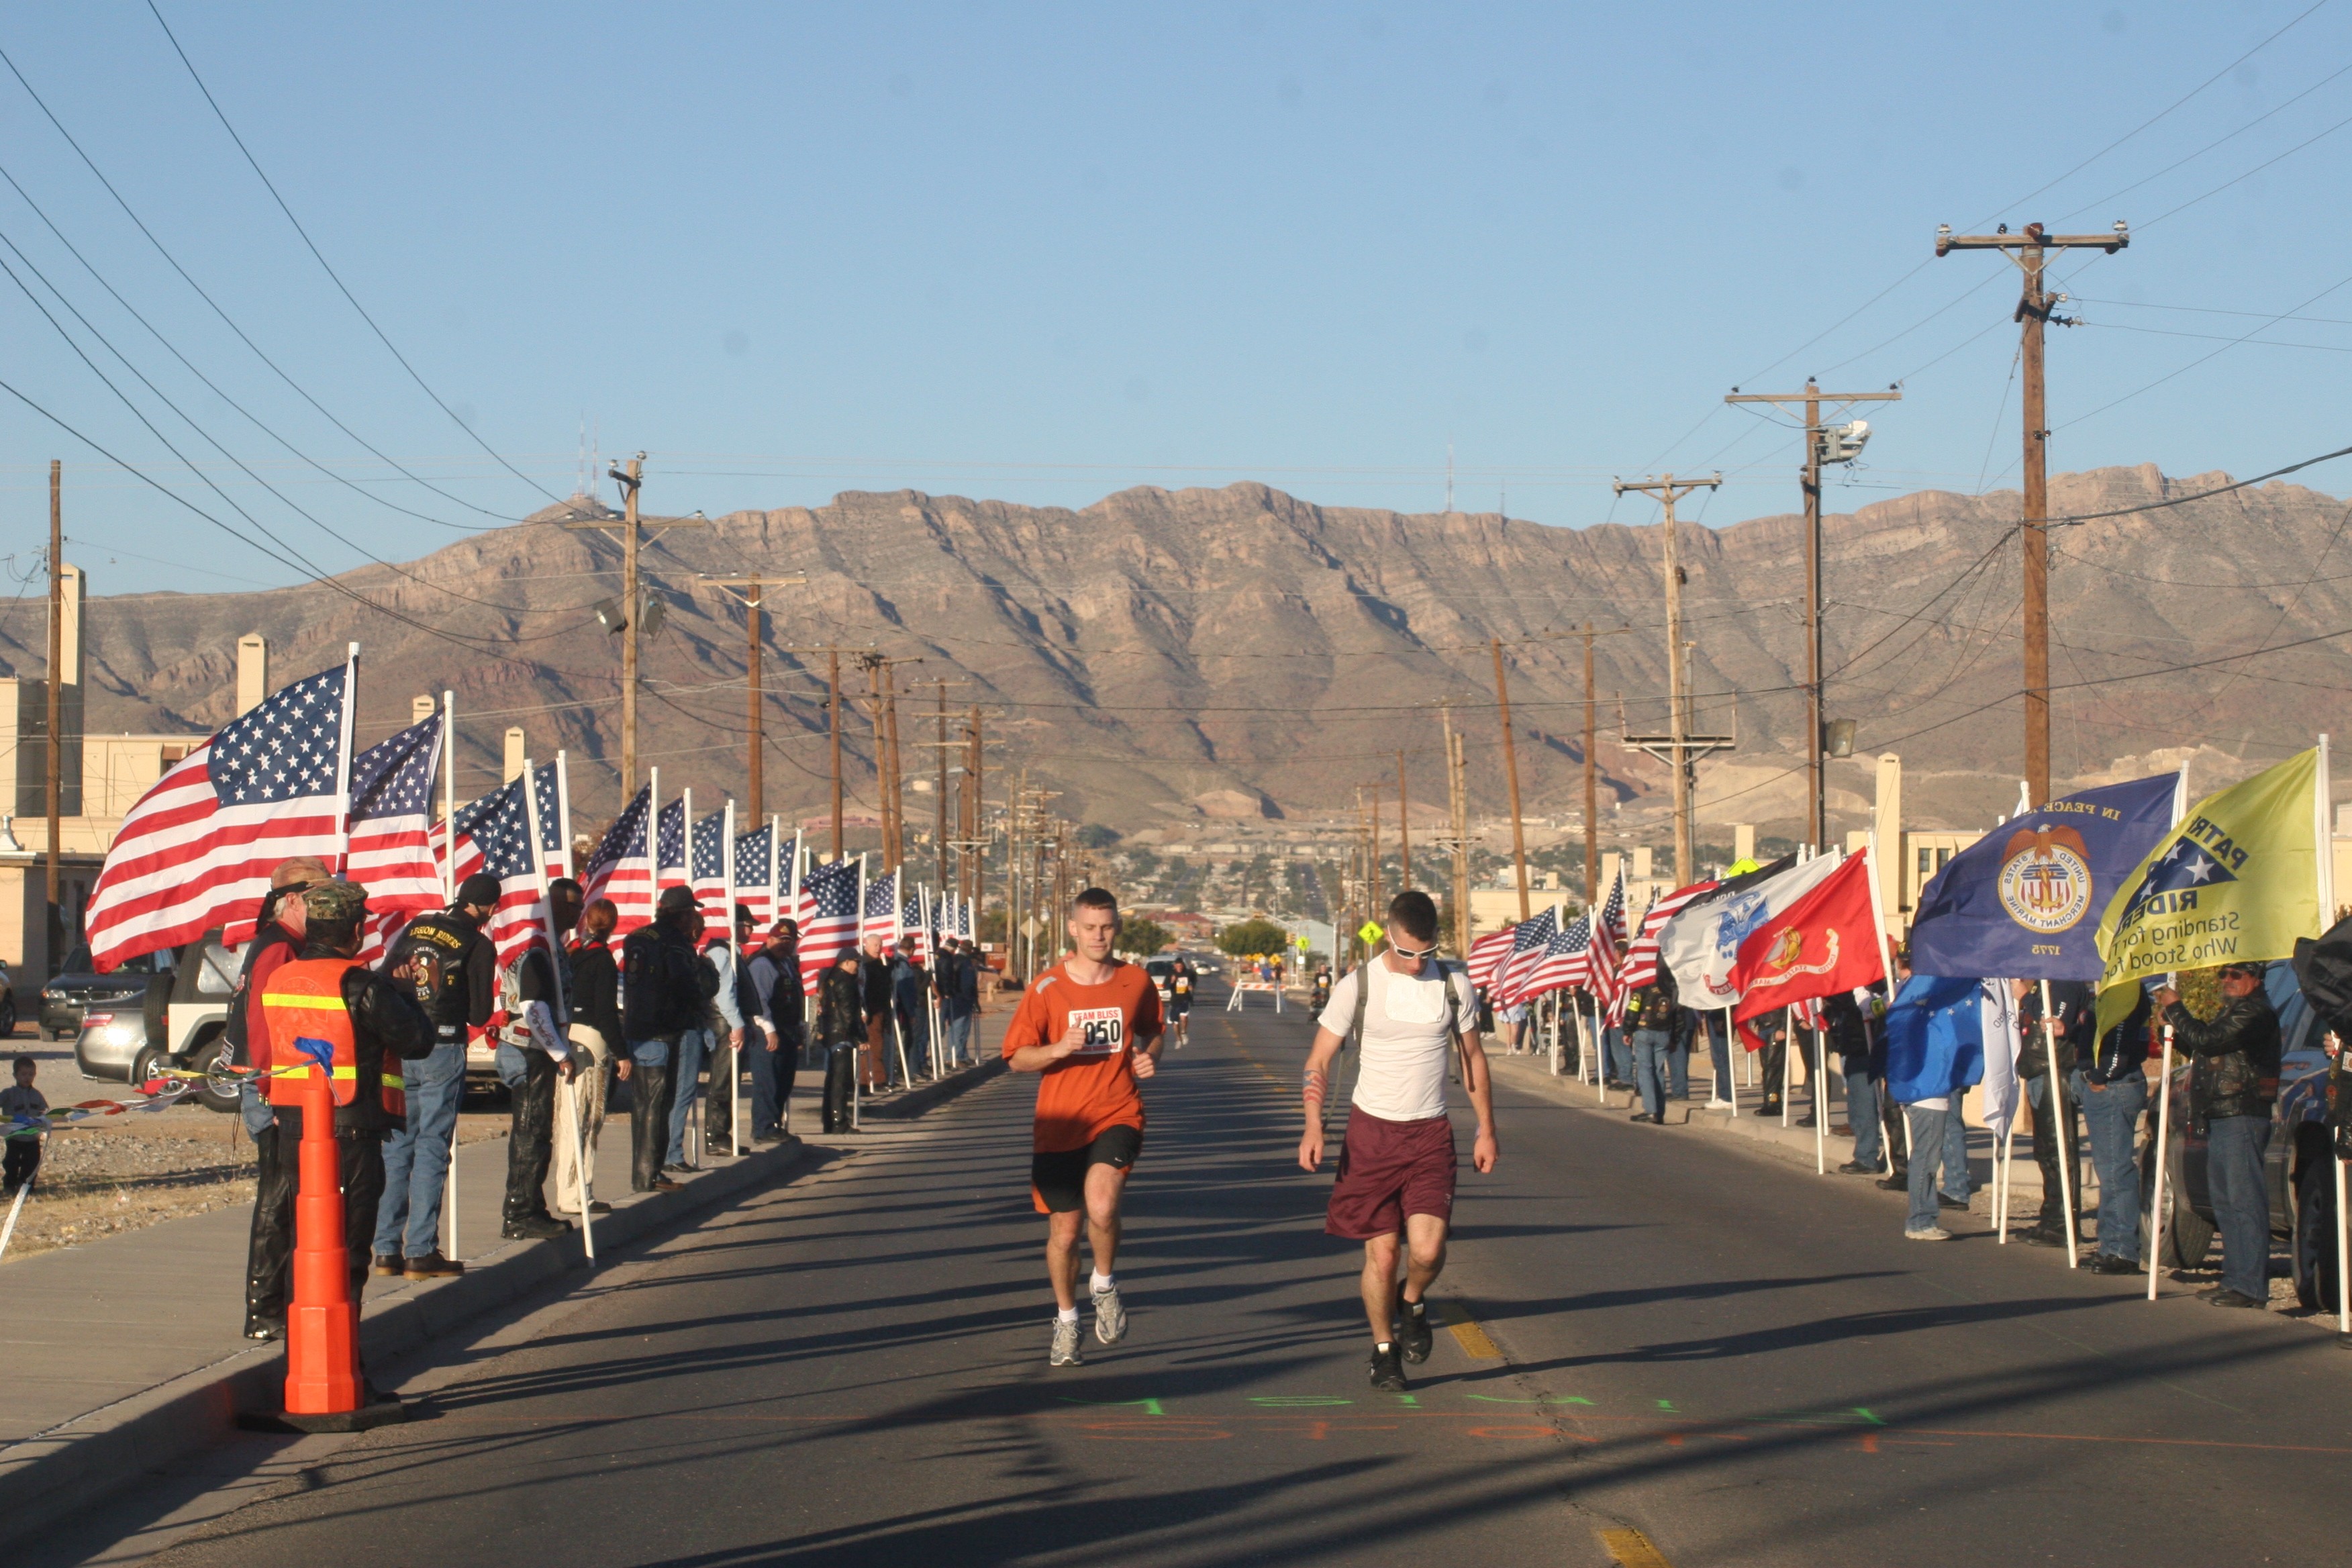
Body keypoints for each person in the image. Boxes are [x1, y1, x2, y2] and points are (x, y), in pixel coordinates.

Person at [1301, 890, 1496, 1393]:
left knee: (1428, 1251)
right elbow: (1319, 1059)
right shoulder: (1358, 985)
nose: (1416, 964)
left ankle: (1412, 1302)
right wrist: (1314, 1123)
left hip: (1430, 1134)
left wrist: (1486, 1128)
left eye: (1426, 954)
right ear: (1388, 936)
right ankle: (1384, 1350)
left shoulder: (1454, 986)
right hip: (1372, 1134)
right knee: (1382, 1256)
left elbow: (1473, 1059)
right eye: (1407, 953)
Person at [260, 881, 434, 1371]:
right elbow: (417, 1040)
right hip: (351, 1131)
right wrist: (405, 991)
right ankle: (341, 1368)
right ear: (357, 931)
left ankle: (301, 1363)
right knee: (347, 1253)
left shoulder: (281, 979)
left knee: (306, 1250)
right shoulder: (361, 985)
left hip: (292, 1128)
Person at [1002, 887, 1165, 1368]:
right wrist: (1056, 1050)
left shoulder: (1135, 980)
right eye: (1090, 927)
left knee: (1101, 1203)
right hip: (1059, 1124)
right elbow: (1015, 1057)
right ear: (1073, 928)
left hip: (1117, 1111)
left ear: (1117, 927)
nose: (1099, 935)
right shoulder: (1047, 987)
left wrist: (1148, 1058)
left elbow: (1155, 1029)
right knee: (1065, 1232)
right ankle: (1068, 1319)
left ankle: (1105, 1285)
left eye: (1108, 926)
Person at [372, 873, 499, 1278]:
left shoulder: (416, 927)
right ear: (488, 908)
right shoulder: (479, 944)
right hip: (442, 1046)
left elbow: (388, 979)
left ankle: (385, 1247)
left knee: (396, 1145)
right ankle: (421, 1249)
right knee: (430, 1147)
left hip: (402, 1042)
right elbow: (480, 1014)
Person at [230, 856, 326, 1338]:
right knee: (277, 1198)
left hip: (280, 1084)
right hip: (270, 1086)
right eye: (317, 898)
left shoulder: (290, 944)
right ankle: (263, 1310)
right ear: (292, 899)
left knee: (291, 1198)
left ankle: (280, 1304)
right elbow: (260, 1018)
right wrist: (267, 1086)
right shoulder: (278, 948)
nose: (324, 907)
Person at [2155, 963, 2281, 1308]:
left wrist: (2177, 1008)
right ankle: (2236, 1279)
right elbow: (2205, 1050)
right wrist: (2174, 1029)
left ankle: (2250, 1286)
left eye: (2235, 975)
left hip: (2242, 1113)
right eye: (2223, 975)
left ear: (2255, 978)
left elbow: (2210, 1042)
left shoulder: (2256, 1013)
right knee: (2225, 1203)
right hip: (2222, 1113)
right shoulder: (2234, 1011)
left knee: (2244, 1202)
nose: (2227, 980)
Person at [492, 878, 579, 1240]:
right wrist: (559, 1051)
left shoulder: (550, 946)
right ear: (553, 906)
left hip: (533, 1050)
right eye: (571, 905)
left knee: (538, 1131)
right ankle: (519, 1212)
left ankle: (532, 1203)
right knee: (532, 1131)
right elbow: (532, 1006)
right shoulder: (537, 948)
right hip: (528, 1050)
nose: (577, 911)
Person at [620, 885, 703, 1192]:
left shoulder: (638, 937)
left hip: (638, 1028)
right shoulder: (675, 943)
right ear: (683, 914)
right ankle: (649, 1175)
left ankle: (648, 1174)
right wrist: (700, 996)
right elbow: (685, 984)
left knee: (644, 1105)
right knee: (658, 1104)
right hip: (663, 1030)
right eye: (691, 912)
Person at [554, 897, 623, 1217]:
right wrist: (623, 1053)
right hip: (592, 1041)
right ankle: (577, 1192)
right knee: (586, 1121)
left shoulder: (572, 955)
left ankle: (574, 1189)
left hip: (568, 1036)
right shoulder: (602, 960)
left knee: (569, 1121)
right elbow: (606, 1013)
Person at [2079, 983, 2154, 1274]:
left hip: (2114, 1084)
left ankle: (2123, 1249)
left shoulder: (2124, 988)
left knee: (2115, 1169)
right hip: (2109, 1082)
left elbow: (2120, 1041)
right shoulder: (2113, 988)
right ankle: (2110, 1245)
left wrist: (2102, 1075)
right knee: (2108, 1169)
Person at [2015, 977, 2092, 1248]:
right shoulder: (2043, 983)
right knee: (2046, 1153)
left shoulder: (2063, 983)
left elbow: (2055, 1024)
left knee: (2060, 1151)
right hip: (2039, 1071)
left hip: (2055, 1071)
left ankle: (2063, 1224)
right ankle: (2051, 1218)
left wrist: (2026, 997)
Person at [689, 911, 746, 1159]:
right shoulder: (721, 952)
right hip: (722, 1022)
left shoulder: (731, 952)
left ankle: (724, 1134)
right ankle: (716, 1137)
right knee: (722, 1081)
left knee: (730, 1080)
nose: (752, 931)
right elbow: (723, 994)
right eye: (747, 925)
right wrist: (737, 1024)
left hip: (726, 1022)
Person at [743, 914, 799, 1138]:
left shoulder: (785, 963)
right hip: (768, 1032)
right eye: (778, 940)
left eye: (787, 941)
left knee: (783, 1081)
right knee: (767, 1082)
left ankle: (775, 1125)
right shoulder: (762, 964)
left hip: (787, 1030)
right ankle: (763, 1128)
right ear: (768, 940)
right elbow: (759, 1001)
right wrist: (769, 1030)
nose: (783, 945)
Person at [1826, 987, 1884, 1176]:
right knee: (1857, 1106)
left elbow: (1864, 1008)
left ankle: (1867, 1157)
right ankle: (1864, 1154)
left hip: (1866, 1048)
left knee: (1865, 1106)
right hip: (1854, 1047)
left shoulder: (1873, 984)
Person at [815, 948, 866, 1134]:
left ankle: (830, 1121)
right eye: (856, 962)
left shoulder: (832, 978)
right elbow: (848, 1013)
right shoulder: (844, 981)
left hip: (833, 1033)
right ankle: (838, 1122)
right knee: (840, 1081)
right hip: (841, 1034)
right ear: (846, 962)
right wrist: (861, 1036)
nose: (858, 966)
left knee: (833, 1080)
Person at [1622, 975, 1676, 1126]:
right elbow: (1678, 1014)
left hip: (1645, 1031)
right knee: (1659, 1072)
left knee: (1645, 1071)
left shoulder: (1642, 987)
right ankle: (1659, 1112)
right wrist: (1675, 1037)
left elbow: (1633, 1009)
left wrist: (1627, 1031)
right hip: (1664, 1032)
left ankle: (1651, 1111)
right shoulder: (1671, 988)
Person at [2, 1055, 46, 1194]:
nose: (27, 1078)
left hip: (32, 1138)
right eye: (24, 1074)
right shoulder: (9, 1094)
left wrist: (45, 1121)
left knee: (32, 1163)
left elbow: (45, 1112)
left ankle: (27, 1187)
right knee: (11, 1163)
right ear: (15, 1075)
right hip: (14, 1137)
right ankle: (9, 1185)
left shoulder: (37, 1095)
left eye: (31, 1074)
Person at [891, 937, 932, 1082]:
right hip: (906, 1008)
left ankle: (906, 1070)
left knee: (908, 1040)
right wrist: (910, 1012)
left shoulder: (899, 962)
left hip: (904, 1007)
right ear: (912, 949)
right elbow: (904, 989)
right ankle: (912, 1070)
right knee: (912, 1039)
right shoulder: (901, 964)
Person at [859, 934, 893, 1091]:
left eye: (880, 944)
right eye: (874, 945)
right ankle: (875, 1079)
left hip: (881, 1010)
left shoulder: (879, 963)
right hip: (871, 1011)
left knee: (877, 1045)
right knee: (873, 1045)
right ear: (866, 945)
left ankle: (872, 1078)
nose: (878, 948)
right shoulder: (865, 964)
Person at [1166, 955, 1194, 1048]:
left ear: (1183, 966)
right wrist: (1172, 982)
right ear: (1175, 966)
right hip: (1175, 1001)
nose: (1179, 968)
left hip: (1185, 999)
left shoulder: (1188, 973)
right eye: (1177, 966)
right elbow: (1166, 986)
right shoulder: (1171, 974)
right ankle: (1178, 1039)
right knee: (1175, 1022)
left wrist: (1191, 988)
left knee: (1184, 1018)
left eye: (1181, 966)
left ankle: (1184, 1033)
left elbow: (1193, 982)